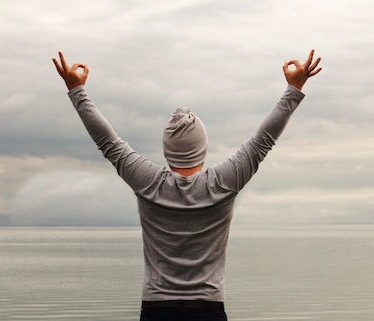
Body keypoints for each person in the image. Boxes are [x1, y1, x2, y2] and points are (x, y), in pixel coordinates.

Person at [53, 50, 322, 321]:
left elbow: (107, 142)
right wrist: (293, 88)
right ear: (202, 148)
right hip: (208, 310)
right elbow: (263, 140)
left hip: (156, 310)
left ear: (168, 149)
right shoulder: (223, 183)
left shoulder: (147, 182)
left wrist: (77, 90)